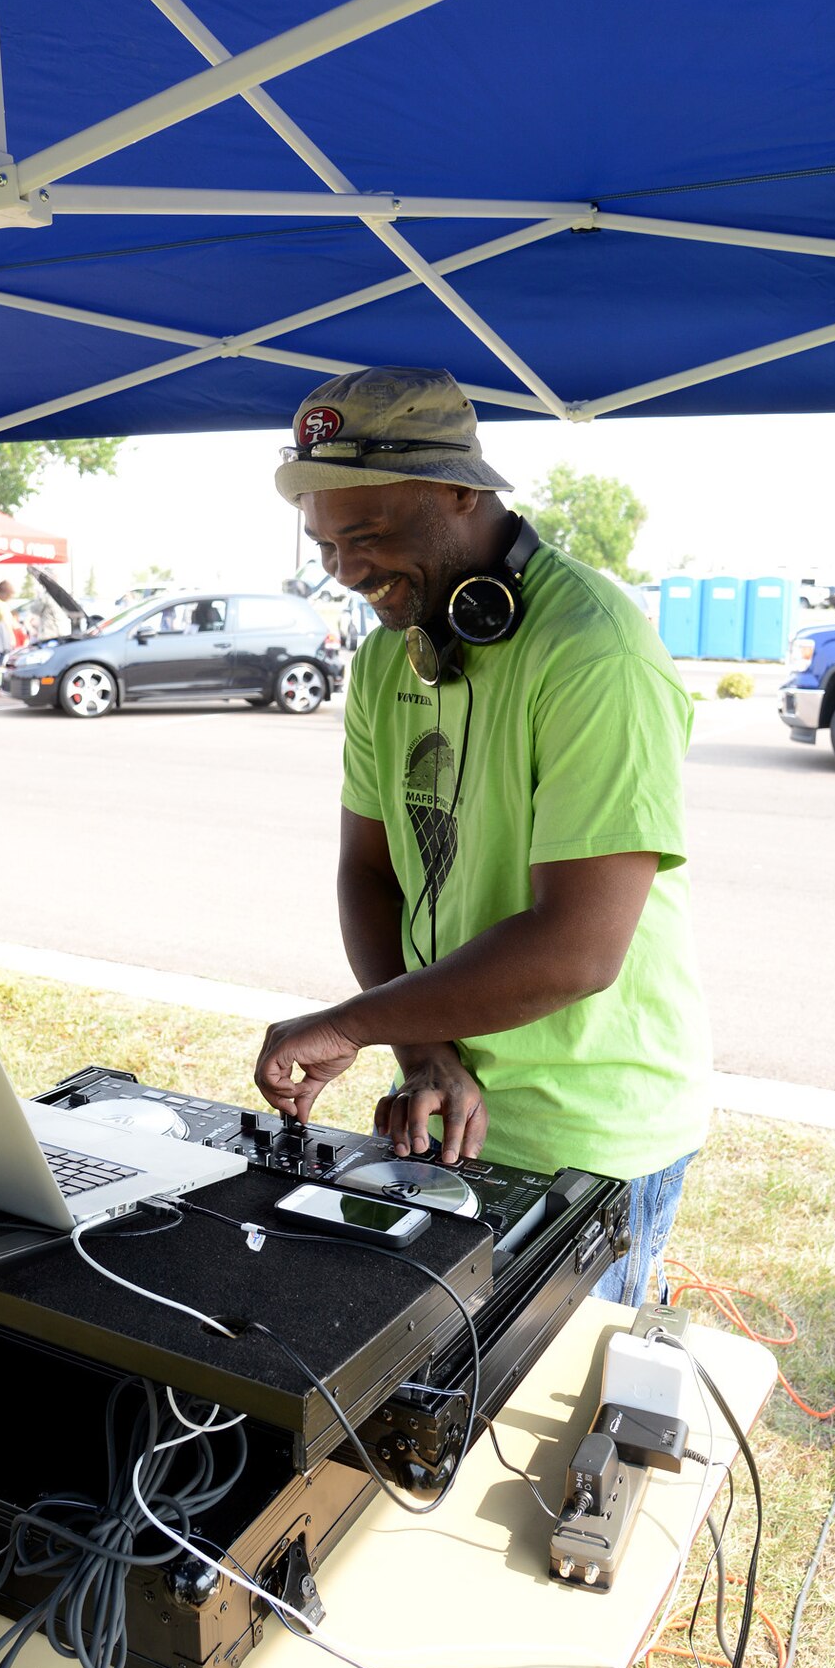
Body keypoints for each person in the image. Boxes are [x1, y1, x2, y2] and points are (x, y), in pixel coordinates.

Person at [254, 368, 710, 1308]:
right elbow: (370, 871)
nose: (344, 570)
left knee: (537, 1412)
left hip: (584, 1135)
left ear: (461, 490)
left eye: (369, 536)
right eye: (326, 544)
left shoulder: (593, 653)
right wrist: (420, 1046)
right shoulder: (389, 654)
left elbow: (577, 948)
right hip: (441, 1100)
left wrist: (352, 1023)